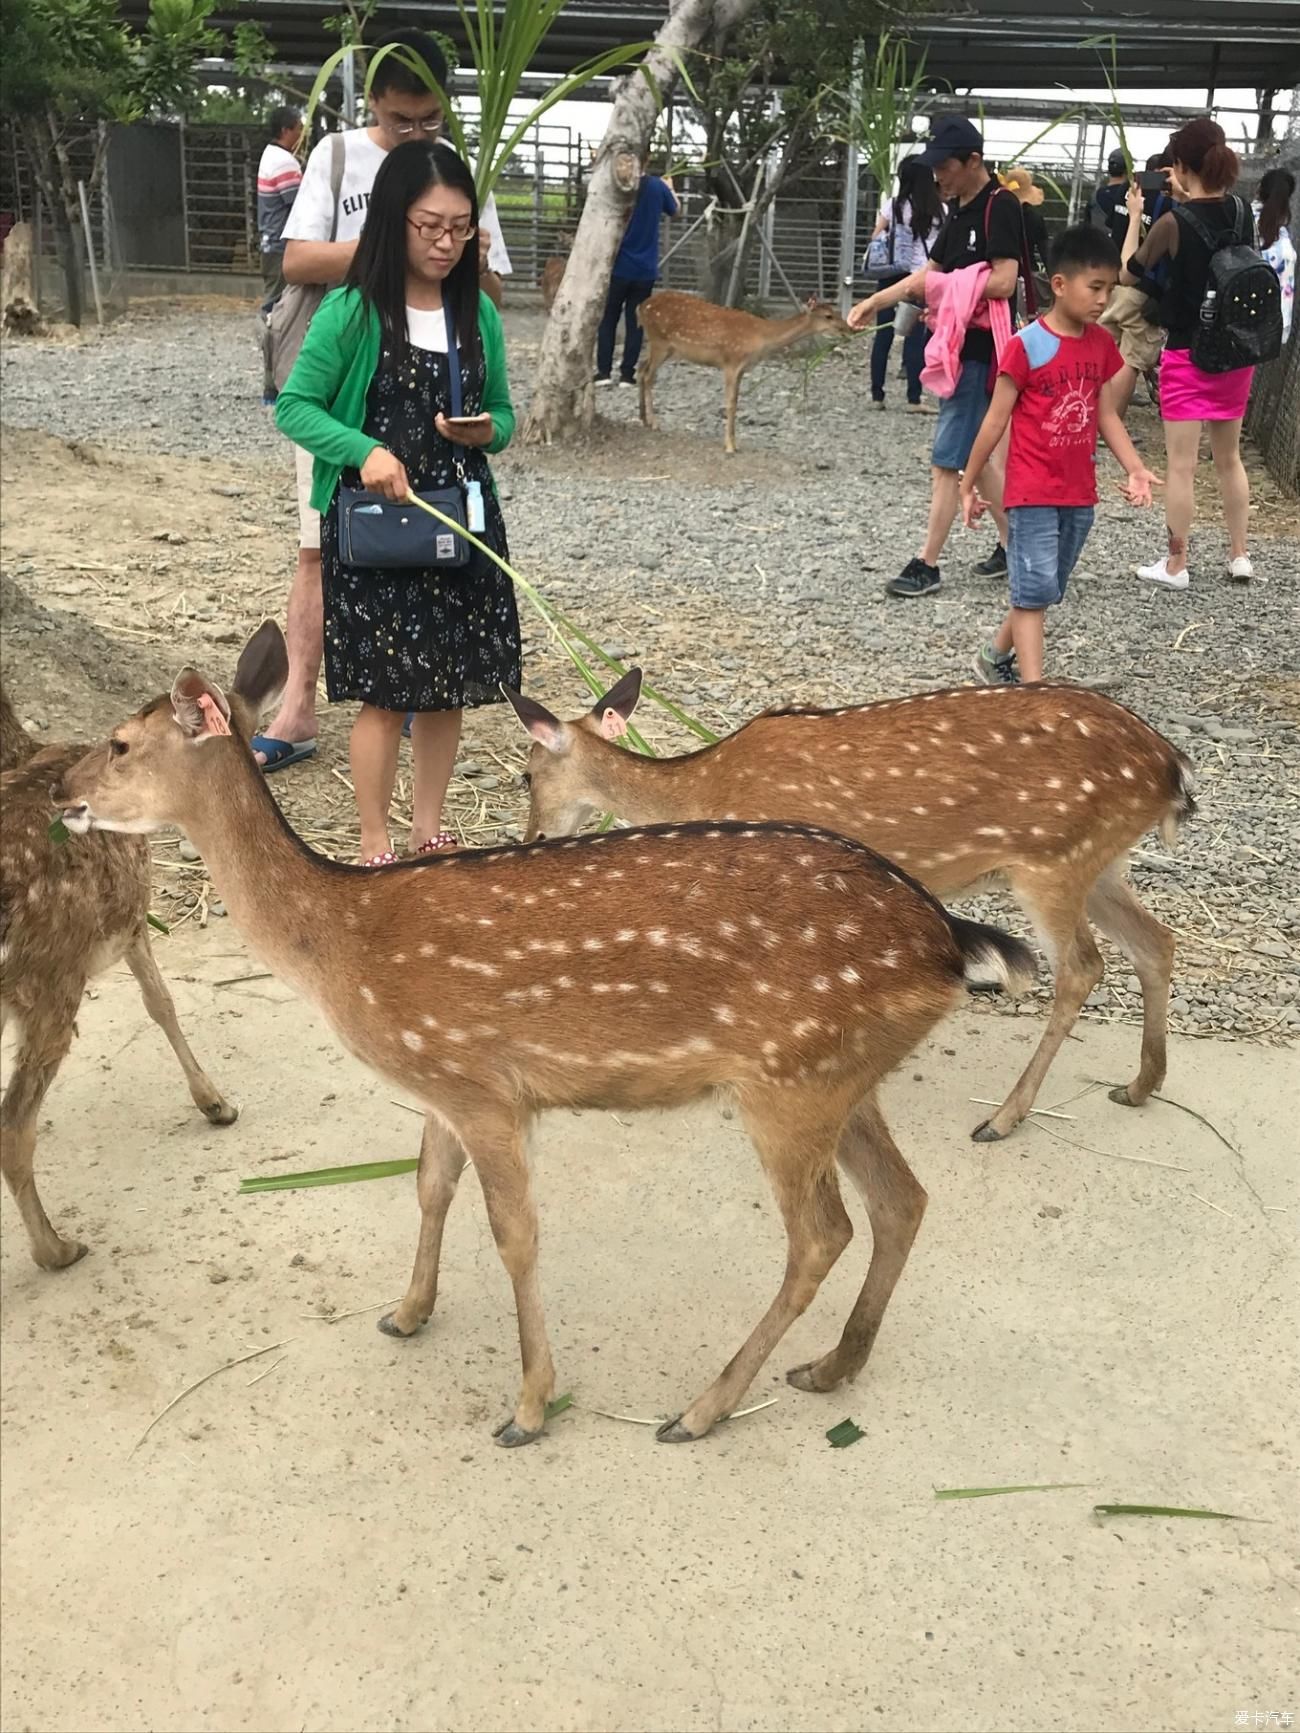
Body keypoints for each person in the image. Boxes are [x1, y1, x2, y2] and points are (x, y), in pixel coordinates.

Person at [255, 27, 513, 773]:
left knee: (433, 551)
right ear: (375, 103)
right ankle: (300, 703)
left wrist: (460, 253)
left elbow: (487, 299)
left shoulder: (456, 175)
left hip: (435, 389)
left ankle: (410, 689)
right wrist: (391, 256)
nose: (416, 133)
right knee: (323, 547)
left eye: (430, 120)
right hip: (348, 389)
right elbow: (298, 258)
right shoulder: (338, 156)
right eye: (403, 120)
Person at [275, 140, 518, 865]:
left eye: (462, 227)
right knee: (386, 694)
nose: (447, 243)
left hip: (457, 523)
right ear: (393, 220)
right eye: (429, 226)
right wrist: (364, 451)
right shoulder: (352, 310)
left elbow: (504, 414)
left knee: (445, 690)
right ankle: (376, 837)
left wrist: (487, 429)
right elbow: (296, 407)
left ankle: (428, 828)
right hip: (377, 529)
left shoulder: (477, 312)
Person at [961, 226, 1160, 685]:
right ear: (1059, 285)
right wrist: (968, 481)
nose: (1103, 299)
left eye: (1109, 289)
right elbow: (994, 421)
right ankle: (1035, 693)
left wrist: (1135, 468)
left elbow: (1106, 414)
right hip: (1031, 491)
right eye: (1095, 287)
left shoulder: (1101, 345)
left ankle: (992, 658)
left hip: (1078, 492)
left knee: (1045, 588)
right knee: (1032, 593)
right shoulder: (1026, 345)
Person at [848, 114, 1026, 597]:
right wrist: (874, 302)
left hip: (981, 354)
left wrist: (952, 286)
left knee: (947, 462)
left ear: (973, 161)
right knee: (980, 459)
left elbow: (1005, 281)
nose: (938, 177)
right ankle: (1020, 551)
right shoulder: (961, 211)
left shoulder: (1000, 206)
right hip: (961, 350)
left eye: (944, 166)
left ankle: (927, 564)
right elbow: (926, 277)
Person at [1119, 117, 1258, 588]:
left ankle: (1176, 564)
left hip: (1186, 352)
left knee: (1181, 465)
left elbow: (1128, 274)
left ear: (1178, 165)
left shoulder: (1171, 222)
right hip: (1236, 352)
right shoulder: (1243, 212)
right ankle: (1239, 555)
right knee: (1230, 458)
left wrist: (1137, 217)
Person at [1097, 150, 1176, 420]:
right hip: (1142, 288)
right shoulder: (1167, 202)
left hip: (1111, 284)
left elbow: (1111, 226)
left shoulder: (1126, 192)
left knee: (1101, 354)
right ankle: (1110, 425)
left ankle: (1090, 418)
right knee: (1131, 361)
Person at [864, 156, 943, 411]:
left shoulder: (894, 205)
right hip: (920, 277)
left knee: (883, 333)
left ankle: (877, 395)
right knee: (914, 336)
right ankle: (913, 397)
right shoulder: (938, 210)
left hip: (891, 272)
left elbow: (877, 235)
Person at [594, 169, 679, 386]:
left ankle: (603, 372)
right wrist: (670, 188)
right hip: (644, 269)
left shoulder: (616, 183)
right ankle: (626, 374)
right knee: (636, 323)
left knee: (609, 319)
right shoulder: (656, 186)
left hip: (617, 266)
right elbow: (675, 210)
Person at [256, 106, 304, 403]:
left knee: (276, 311)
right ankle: (274, 383)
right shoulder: (284, 162)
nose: (301, 134)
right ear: (286, 130)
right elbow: (302, 205)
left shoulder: (270, 156)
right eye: (299, 128)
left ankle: (275, 381)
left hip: (270, 244)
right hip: (282, 247)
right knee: (280, 314)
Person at [1256, 166, 1296, 342]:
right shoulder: (1284, 238)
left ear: (1259, 189)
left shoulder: (1243, 217)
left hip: (1235, 312)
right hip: (1270, 324)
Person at [1090, 148, 1131, 254]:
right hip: (1124, 251)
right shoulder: (1131, 196)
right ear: (1127, 168)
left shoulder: (1096, 196)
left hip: (1097, 250)